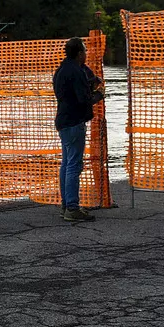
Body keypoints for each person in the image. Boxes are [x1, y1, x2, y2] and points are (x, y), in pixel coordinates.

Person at [53, 38, 105, 222]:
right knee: (74, 165)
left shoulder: (61, 70)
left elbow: (66, 94)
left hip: (63, 120)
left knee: (67, 164)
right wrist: (99, 95)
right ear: (79, 53)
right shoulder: (76, 71)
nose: (86, 53)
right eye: (84, 50)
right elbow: (83, 99)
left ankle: (66, 205)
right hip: (74, 122)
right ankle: (72, 208)